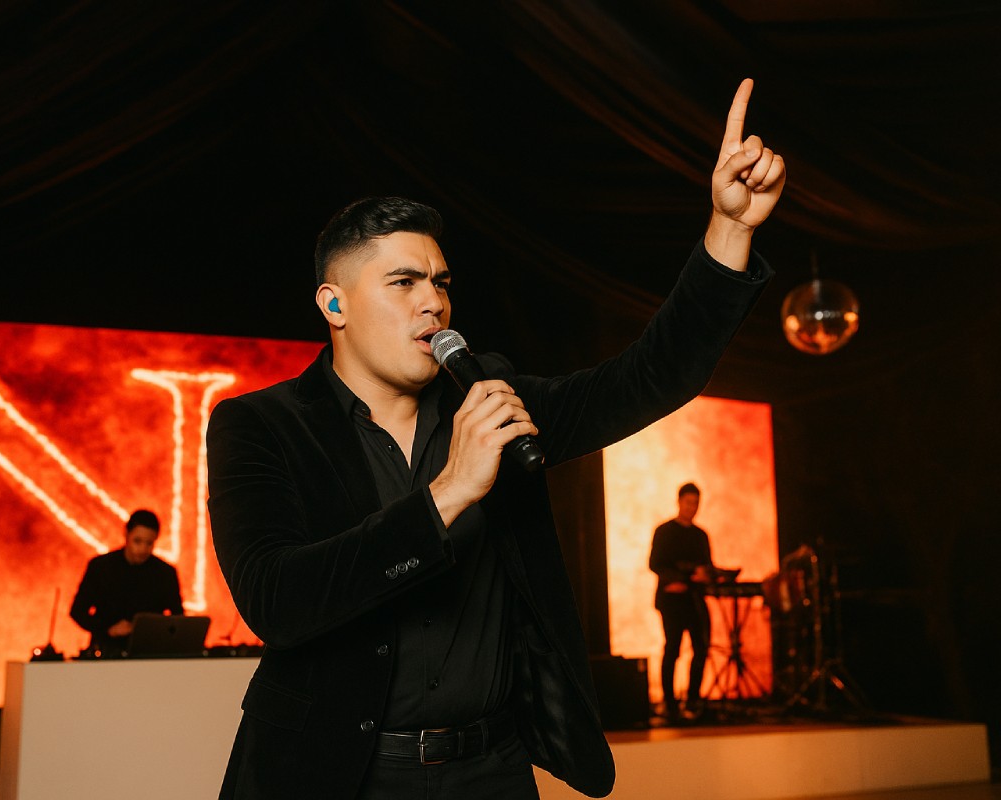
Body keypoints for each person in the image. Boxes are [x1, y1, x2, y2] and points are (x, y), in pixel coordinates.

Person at [206, 78, 784, 799]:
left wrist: (729, 231)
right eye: (404, 282)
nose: (434, 302)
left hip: (490, 770)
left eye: (441, 282)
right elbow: (277, 600)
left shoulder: (489, 396)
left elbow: (648, 378)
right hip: (337, 776)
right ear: (334, 303)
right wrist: (448, 493)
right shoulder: (259, 425)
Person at [69, 509, 184, 657]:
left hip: (150, 654)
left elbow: (178, 619)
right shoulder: (100, 567)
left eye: (149, 543)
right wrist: (108, 629)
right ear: (126, 534)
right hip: (106, 652)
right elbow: (77, 611)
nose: (143, 549)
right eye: (137, 541)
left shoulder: (165, 573)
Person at [649, 482, 714, 724]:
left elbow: (706, 566)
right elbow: (655, 564)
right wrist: (681, 578)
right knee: (672, 648)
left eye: (696, 503)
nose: (692, 508)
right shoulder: (664, 532)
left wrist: (705, 576)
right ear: (679, 502)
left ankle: (693, 700)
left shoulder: (700, 535)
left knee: (701, 647)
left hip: (694, 599)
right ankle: (670, 703)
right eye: (688, 503)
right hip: (671, 601)